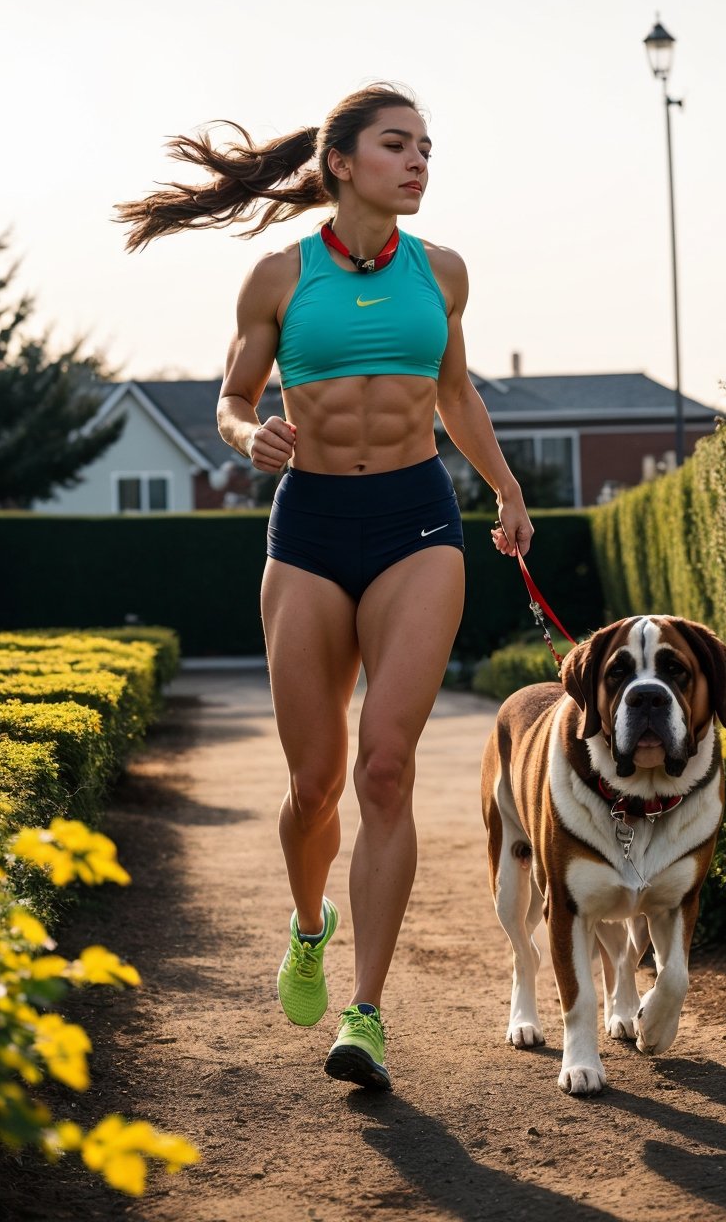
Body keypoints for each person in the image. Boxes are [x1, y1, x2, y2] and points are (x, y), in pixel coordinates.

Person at [116, 82, 533, 1091]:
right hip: (307, 529)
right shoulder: (276, 277)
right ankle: (310, 925)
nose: (418, 161)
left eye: (426, 147)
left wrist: (506, 488)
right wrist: (238, 431)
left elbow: (455, 391)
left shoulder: (442, 273)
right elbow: (229, 395)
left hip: (416, 521)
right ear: (342, 162)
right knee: (312, 785)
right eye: (397, 145)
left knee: (384, 768)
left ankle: (366, 1013)